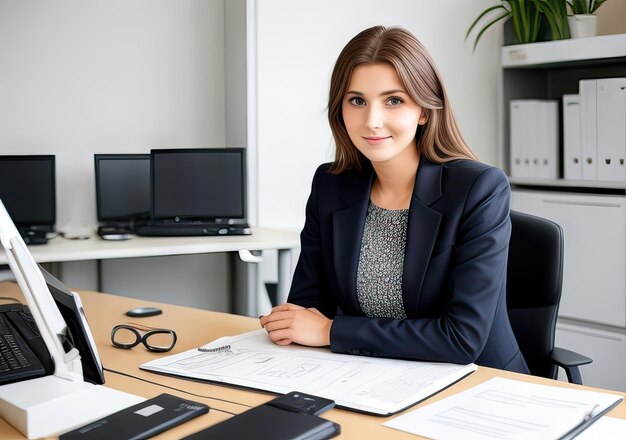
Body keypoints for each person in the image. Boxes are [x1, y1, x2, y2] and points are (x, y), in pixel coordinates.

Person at [259, 25, 529, 374]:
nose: (372, 121)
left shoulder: (478, 189)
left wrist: (330, 331)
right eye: (357, 100)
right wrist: (294, 327)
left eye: (394, 100)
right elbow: (306, 310)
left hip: (478, 383)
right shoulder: (331, 185)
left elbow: (461, 339)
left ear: (424, 110)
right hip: (370, 377)